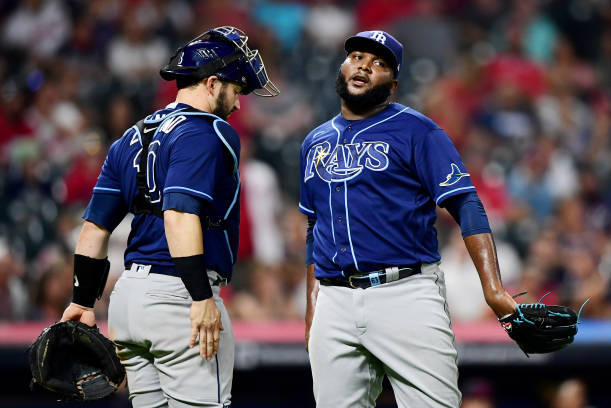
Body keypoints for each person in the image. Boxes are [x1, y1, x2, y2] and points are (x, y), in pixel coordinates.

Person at [60, 26, 278, 407]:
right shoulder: (209, 131)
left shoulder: (129, 137)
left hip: (128, 301)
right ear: (212, 83)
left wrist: (82, 300)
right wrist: (199, 297)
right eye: (237, 90)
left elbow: (94, 228)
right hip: (178, 297)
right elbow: (178, 214)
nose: (239, 104)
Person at [299, 30, 517, 408]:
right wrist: (311, 309)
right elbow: (312, 229)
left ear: (393, 85)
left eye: (379, 63)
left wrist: (493, 289)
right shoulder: (314, 141)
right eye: (357, 57)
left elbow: (466, 204)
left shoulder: (419, 131)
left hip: (406, 291)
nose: (364, 65)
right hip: (334, 299)